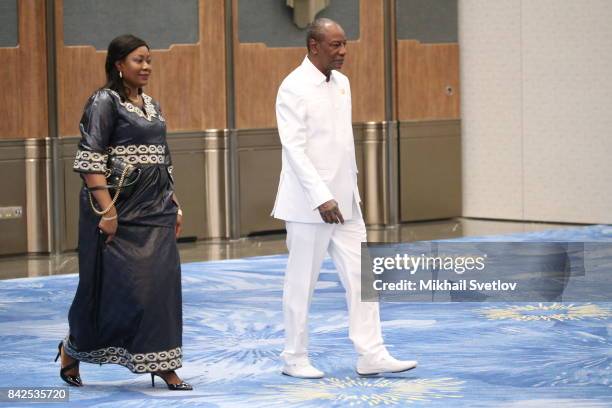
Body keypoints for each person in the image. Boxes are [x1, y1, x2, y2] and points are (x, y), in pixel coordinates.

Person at [272, 18, 418, 378]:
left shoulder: (342, 84)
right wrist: (322, 196)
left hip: (347, 204)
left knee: (361, 278)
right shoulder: (292, 87)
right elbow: (294, 148)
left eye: (345, 44)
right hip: (310, 206)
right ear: (313, 46)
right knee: (301, 282)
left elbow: (339, 144)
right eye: (335, 45)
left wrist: (347, 194)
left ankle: (372, 354)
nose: (343, 52)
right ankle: (294, 358)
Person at [55, 34, 192, 391]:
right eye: (138, 60)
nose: (146, 66)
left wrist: (173, 201)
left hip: (157, 209)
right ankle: (72, 349)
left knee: (160, 286)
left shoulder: (153, 105)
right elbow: (90, 158)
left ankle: (163, 363)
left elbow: (163, 156)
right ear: (119, 64)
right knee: (111, 288)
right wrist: (108, 210)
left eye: (149, 60)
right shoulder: (104, 101)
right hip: (119, 209)